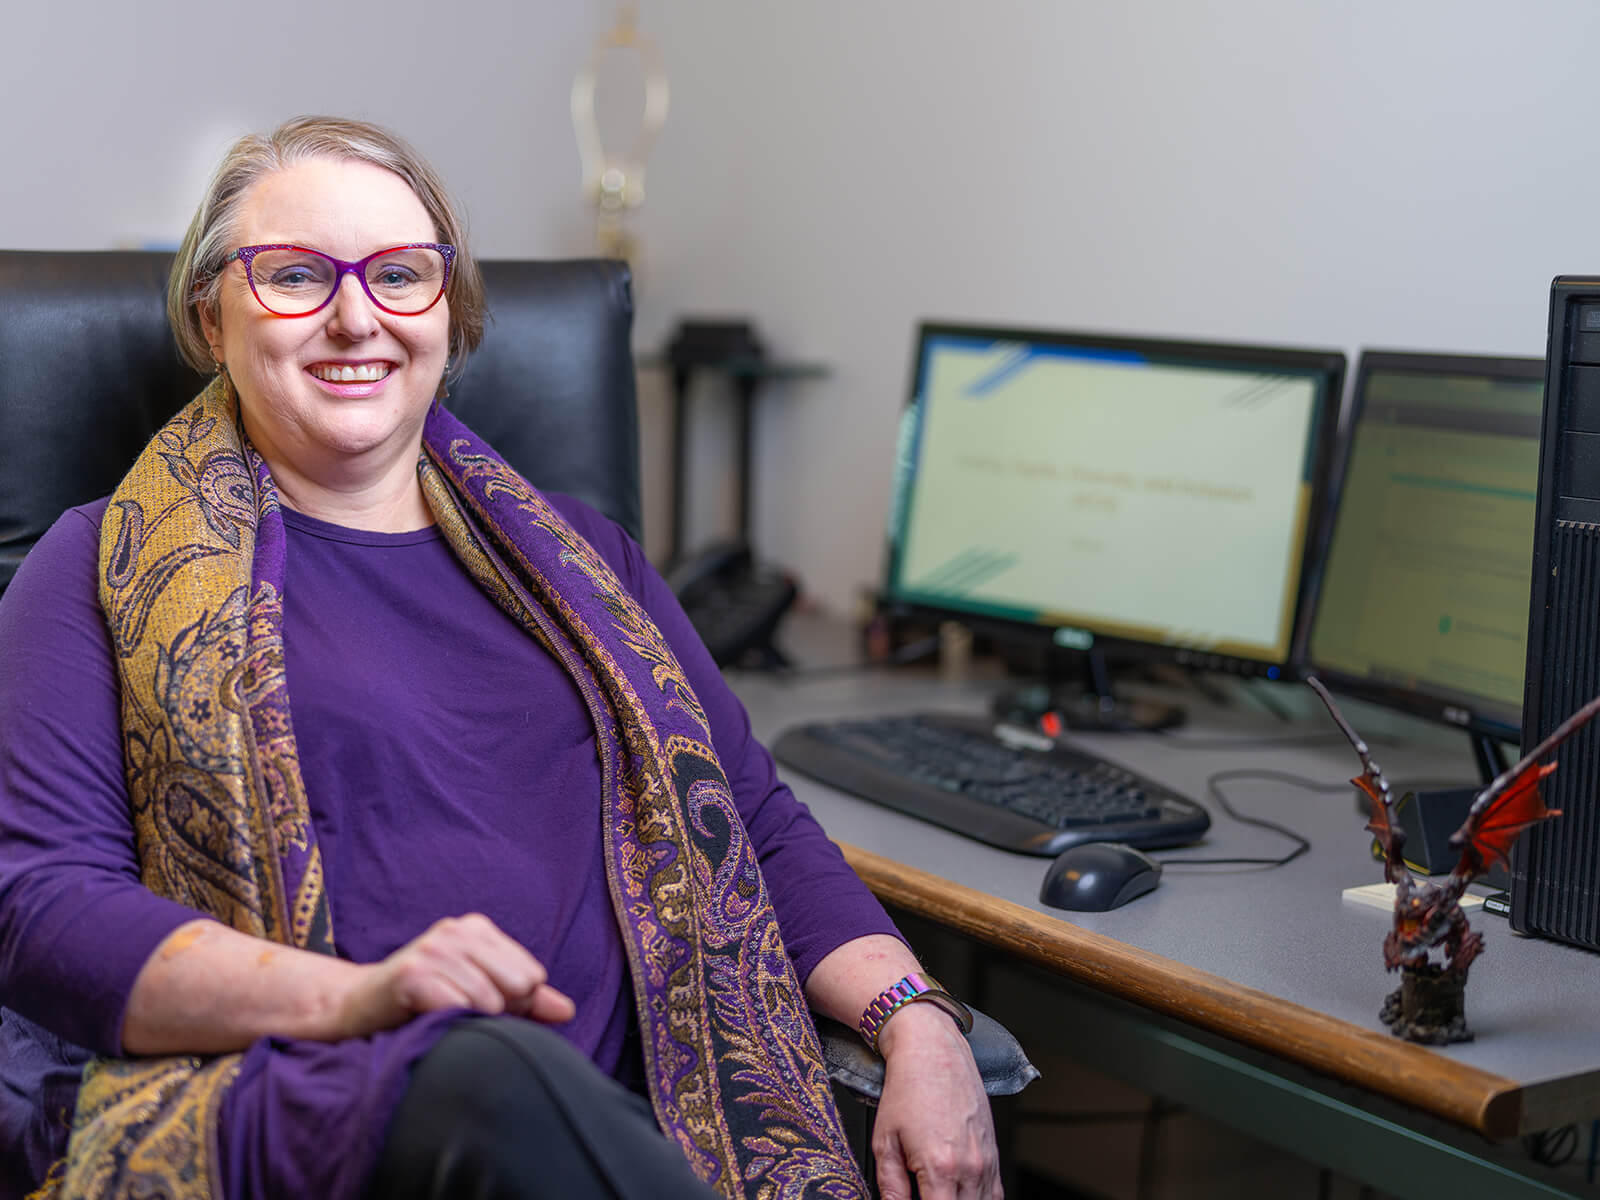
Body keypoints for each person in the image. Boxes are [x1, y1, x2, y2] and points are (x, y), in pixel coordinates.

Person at [0, 117, 1000, 1200]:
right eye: (294, 275)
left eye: (400, 276)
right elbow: (38, 904)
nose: (354, 317)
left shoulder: (590, 563)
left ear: (449, 311)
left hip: (631, 1119)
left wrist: (920, 1024)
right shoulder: (98, 561)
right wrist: (359, 998)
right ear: (211, 313)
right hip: (317, 1104)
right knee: (484, 1072)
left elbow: (750, 820)